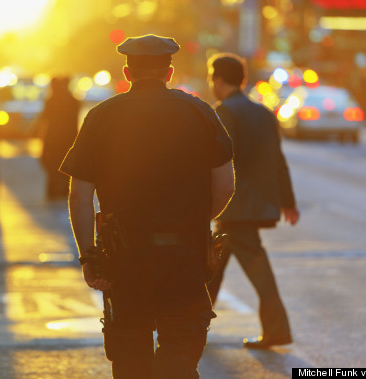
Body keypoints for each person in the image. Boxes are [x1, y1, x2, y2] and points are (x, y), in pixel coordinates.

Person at [60, 35, 234, 378]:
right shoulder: (199, 112)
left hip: (125, 260)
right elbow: (225, 187)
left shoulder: (101, 116)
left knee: (129, 355)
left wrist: (89, 256)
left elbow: (79, 195)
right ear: (169, 73)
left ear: (127, 72)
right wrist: (195, 224)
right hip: (184, 258)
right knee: (181, 350)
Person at [206, 53, 300, 349]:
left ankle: (277, 330)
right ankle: (190, 326)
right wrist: (288, 201)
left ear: (219, 80)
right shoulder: (263, 112)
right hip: (254, 204)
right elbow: (278, 160)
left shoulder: (224, 112)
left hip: (234, 207)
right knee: (212, 266)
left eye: (212, 79)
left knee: (252, 270)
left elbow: (218, 161)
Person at [38, 77, 79, 200]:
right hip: (69, 138)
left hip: (53, 138)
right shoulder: (73, 100)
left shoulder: (51, 100)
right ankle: (64, 191)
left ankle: (53, 191)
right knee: (66, 166)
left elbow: (44, 118)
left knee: (52, 165)